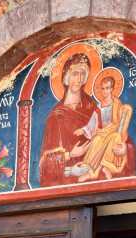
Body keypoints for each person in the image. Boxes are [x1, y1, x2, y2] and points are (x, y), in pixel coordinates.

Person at [39, 52, 101, 187]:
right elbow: (44, 164)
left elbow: (105, 135)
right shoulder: (55, 116)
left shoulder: (93, 109)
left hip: (93, 173)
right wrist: (70, 155)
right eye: (75, 74)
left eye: (82, 74)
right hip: (66, 180)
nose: (79, 80)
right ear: (66, 77)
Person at [74, 74, 136, 182]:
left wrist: (114, 129)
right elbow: (92, 124)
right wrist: (83, 130)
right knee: (96, 139)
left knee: (115, 137)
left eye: (107, 88)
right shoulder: (98, 106)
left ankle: (107, 167)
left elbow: (121, 123)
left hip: (113, 133)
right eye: (102, 88)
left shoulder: (117, 104)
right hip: (102, 133)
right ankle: (90, 172)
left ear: (112, 89)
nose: (104, 91)